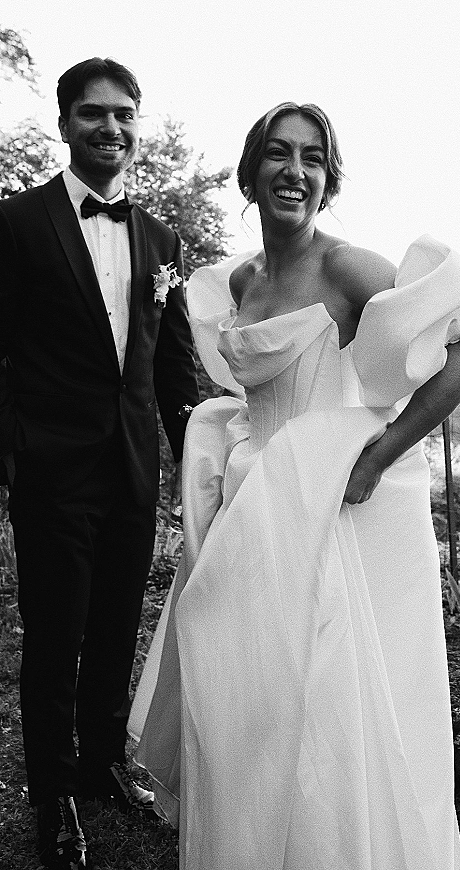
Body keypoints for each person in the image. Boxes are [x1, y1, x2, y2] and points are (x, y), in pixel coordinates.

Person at [129, 102, 460, 869]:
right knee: (239, 699)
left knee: (318, 707)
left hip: (323, 517)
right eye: (278, 152)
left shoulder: (346, 268)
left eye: (313, 158)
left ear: (329, 179)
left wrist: (375, 458)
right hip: (247, 512)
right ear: (249, 172)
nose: (295, 171)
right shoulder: (241, 277)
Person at [0, 58, 199, 869]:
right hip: (51, 473)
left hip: (132, 470)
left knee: (116, 627)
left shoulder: (161, 239)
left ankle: (102, 764)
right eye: (93, 113)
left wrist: (195, 463)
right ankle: (54, 795)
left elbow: (173, 363)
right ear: (64, 124)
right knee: (56, 637)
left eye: (124, 114)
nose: (110, 128)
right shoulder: (16, 224)